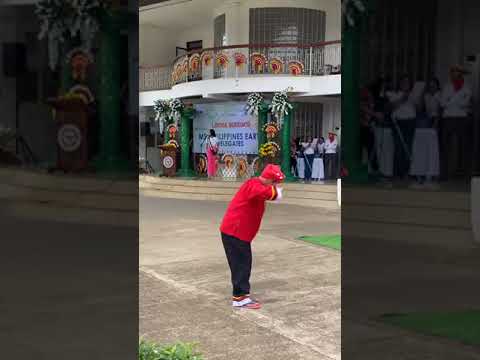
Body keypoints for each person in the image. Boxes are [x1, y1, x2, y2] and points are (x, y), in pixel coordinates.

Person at [220, 164, 285, 309]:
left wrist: (273, 192)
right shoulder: (253, 185)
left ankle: (242, 295)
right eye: (274, 182)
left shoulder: (256, 185)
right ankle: (240, 298)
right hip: (234, 232)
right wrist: (275, 193)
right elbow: (262, 192)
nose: (275, 185)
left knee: (243, 264)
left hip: (239, 234)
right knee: (241, 265)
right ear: (268, 179)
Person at [440, 65, 472, 180]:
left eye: (456, 72)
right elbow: (442, 103)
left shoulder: (467, 87)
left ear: (460, 73)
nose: (453, 74)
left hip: (461, 119)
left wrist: (451, 100)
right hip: (448, 118)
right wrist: (457, 100)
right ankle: (444, 174)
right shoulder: (447, 86)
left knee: (464, 147)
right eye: (452, 72)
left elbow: (466, 103)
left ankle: (463, 174)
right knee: (445, 147)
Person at [409, 78, 441, 188]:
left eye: (434, 85)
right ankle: (419, 176)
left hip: (435, 124)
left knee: (433, 152)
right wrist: (421, 94)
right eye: (430, 85)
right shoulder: (425, 96)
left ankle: (431, 176)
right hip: (423, 125)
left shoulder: (440, 95)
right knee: (420, 151)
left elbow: (440, 110)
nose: (432, 87)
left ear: (437, 86)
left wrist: (436, 123)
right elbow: (419, 108)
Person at [388, 75, 417, 179]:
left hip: (410, 122)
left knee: (408, 147)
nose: (405, 84)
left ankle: (407, 172)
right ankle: (397, 172)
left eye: (407, 82)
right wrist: (403, 98)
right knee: (398, 147)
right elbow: (391, 107)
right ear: (400, 83)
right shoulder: (394, 94)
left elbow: (419, 107)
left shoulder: (413, 95)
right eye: (403, 82)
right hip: (397, 122)